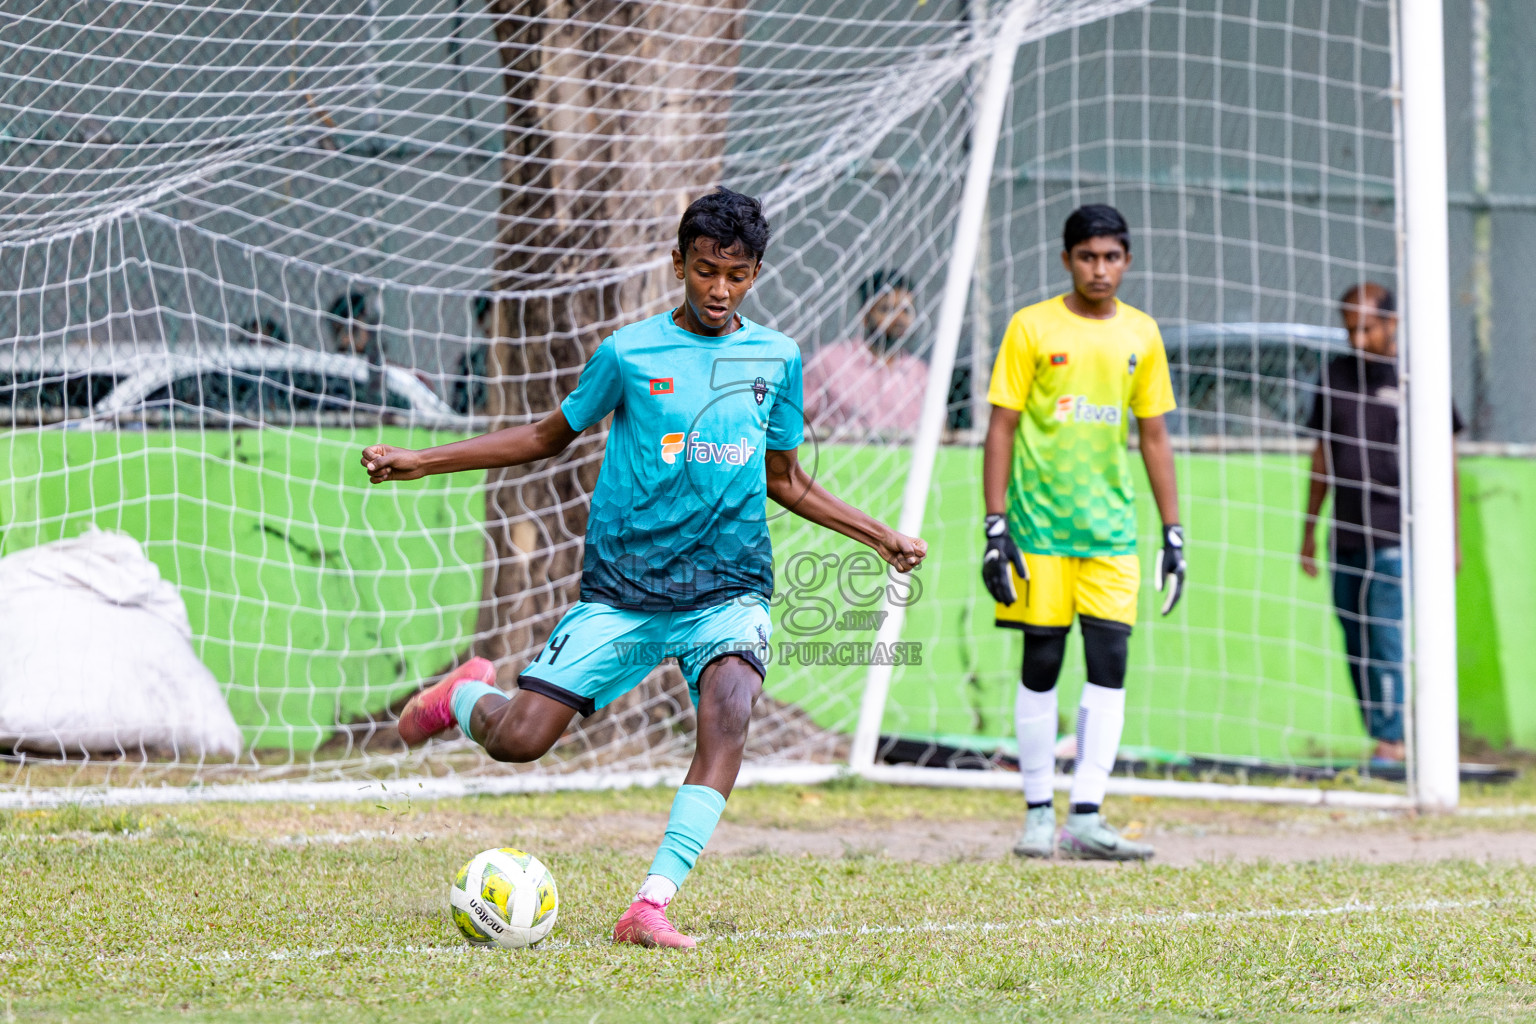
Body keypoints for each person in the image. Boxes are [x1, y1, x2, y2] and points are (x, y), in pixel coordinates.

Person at [359, 188, 927, 948]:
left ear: (756, 272)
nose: (718, 290)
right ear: (677, 265)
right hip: (625, 592)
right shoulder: (630, 351)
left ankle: (649, 905)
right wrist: (420, 462)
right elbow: (543, 436)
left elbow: (784, 479)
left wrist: (878, 534)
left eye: (736, 274)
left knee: (730, 714)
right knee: (521, 740)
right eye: (703, 271)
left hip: (730, 590)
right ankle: (466, 697)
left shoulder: (777, 358)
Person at [981, 204, 1184, 862]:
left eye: (1112, 257)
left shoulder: (1143, 335)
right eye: (1088, 256)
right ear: (1067, 259)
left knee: (1111, 665)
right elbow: (1002, 426)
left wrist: (1173, 531)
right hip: (1038, 530)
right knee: (1041, 661)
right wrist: (995, 524)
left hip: (1111, 535)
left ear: (1128, 260)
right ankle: (1039, 813)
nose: (1100, 268)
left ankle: (1087, 816)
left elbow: (1154, 436)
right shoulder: (1031, 327)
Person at [1300, 282, 1462, 765]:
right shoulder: (1334, 377)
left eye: (1367, 328)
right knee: (1353, 638)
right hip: (1345, 535)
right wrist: (1308, 531)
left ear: (1391, 324)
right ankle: (1383, 733)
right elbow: (1321, 459)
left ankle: (1392, 742)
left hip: (1395, 533)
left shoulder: (1418, 379)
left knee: (1385, 635)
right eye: (1350, 329)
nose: (1358, 340)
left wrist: (1451, 537)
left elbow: (1445, 460)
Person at [802, 269, 928, 435]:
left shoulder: (919, 372)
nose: (899, 318)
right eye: (887, 309)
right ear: (865, 315)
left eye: (905, 311)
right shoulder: (829, 361)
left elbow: (940, 431)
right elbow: (796, 419)